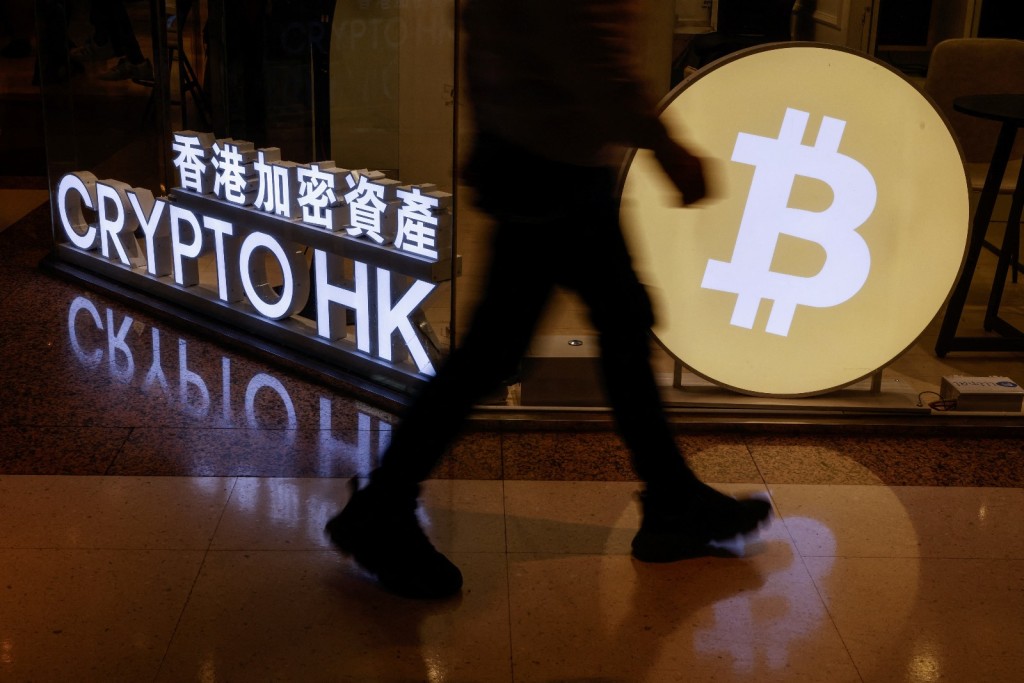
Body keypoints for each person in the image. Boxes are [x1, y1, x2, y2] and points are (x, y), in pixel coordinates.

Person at [325, 0, 772, 599]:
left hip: (538, 153)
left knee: (601, 323)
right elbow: (585, 49)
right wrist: (664, 145)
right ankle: (382, 508)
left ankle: (671, 499)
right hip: (549, 162)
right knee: (506, 347)